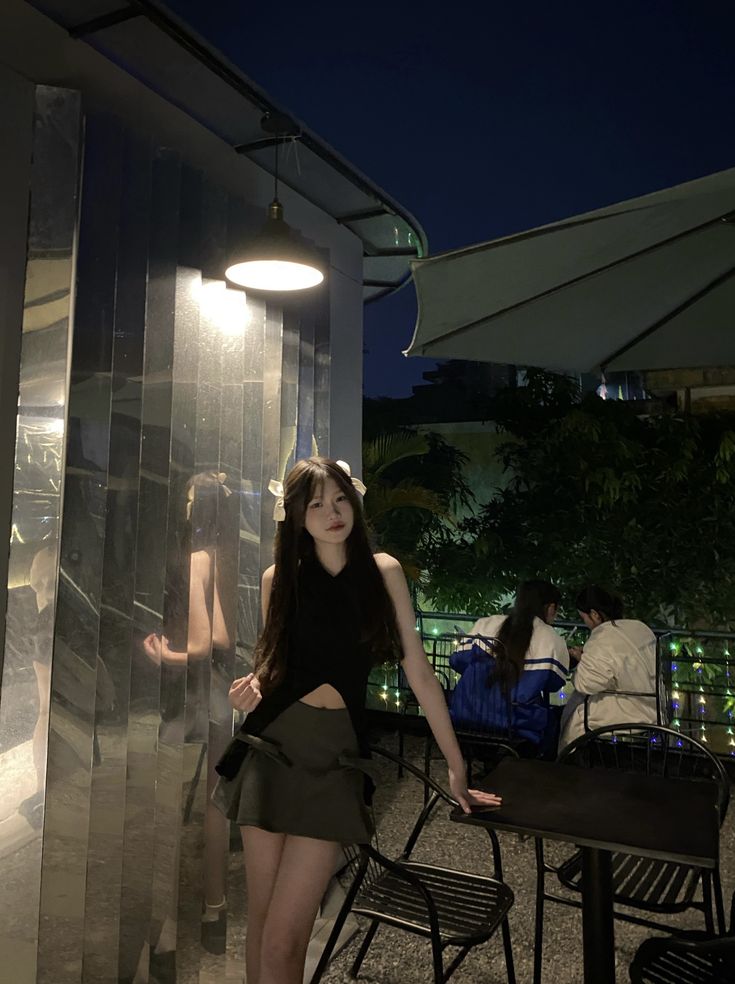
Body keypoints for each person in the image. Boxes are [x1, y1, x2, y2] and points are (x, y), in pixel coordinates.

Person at [212, 456, 501, 984]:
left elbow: (419, 670)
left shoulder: (383, 571)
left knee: (287, 937)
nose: (332, 512)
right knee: (262, 924)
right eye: (316, 504)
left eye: (339, 498)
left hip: (334, 760)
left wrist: (456, 769)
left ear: (355, 500)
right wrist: (251, 688)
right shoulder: (279, 578)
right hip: (271, 747)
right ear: (296, 517)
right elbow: (271, 664)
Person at [450, 580, 569, 756]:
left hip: (465, 715)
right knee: (556, 718)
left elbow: (457, 661)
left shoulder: (486, 623)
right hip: (514, 726)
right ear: (550, 607)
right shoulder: (550, 638)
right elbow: (554, 684)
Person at [559, 585, 658, 749]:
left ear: (594, 615)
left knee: (574, 715)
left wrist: (581, 659)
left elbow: (587, 684)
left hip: (627, 714)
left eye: (584, 618)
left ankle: (569, 766)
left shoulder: (601, 636)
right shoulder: (640, 628)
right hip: (655, 709)